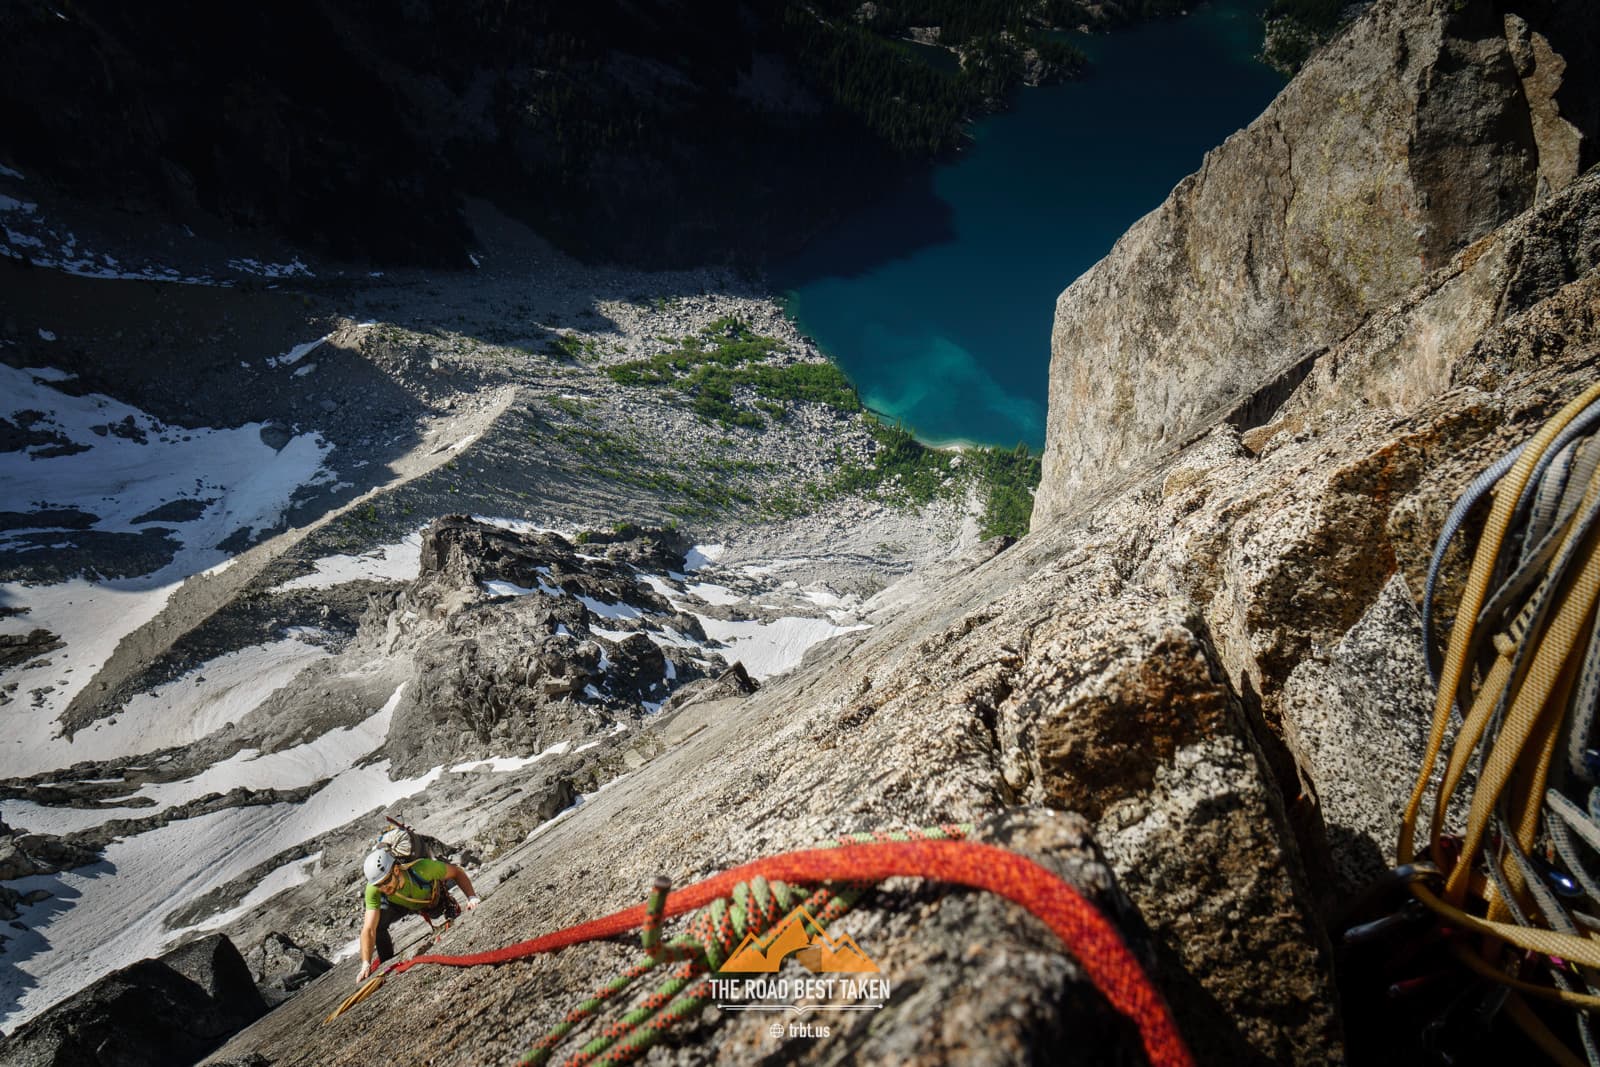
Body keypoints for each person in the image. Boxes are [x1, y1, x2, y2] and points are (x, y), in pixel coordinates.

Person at [356, 846, 479, 981]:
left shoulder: (423, 868)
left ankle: (447, 903)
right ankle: (386, 960)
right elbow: (369, 929)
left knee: (437, 913)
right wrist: (365, 963)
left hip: (426, 900)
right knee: (378, 924)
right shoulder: (373, 889)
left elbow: (456, 872)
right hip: (399, 905)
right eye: (379, 885)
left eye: (386, 881)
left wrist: (472, 898)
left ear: (396, 870)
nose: (383, 888)